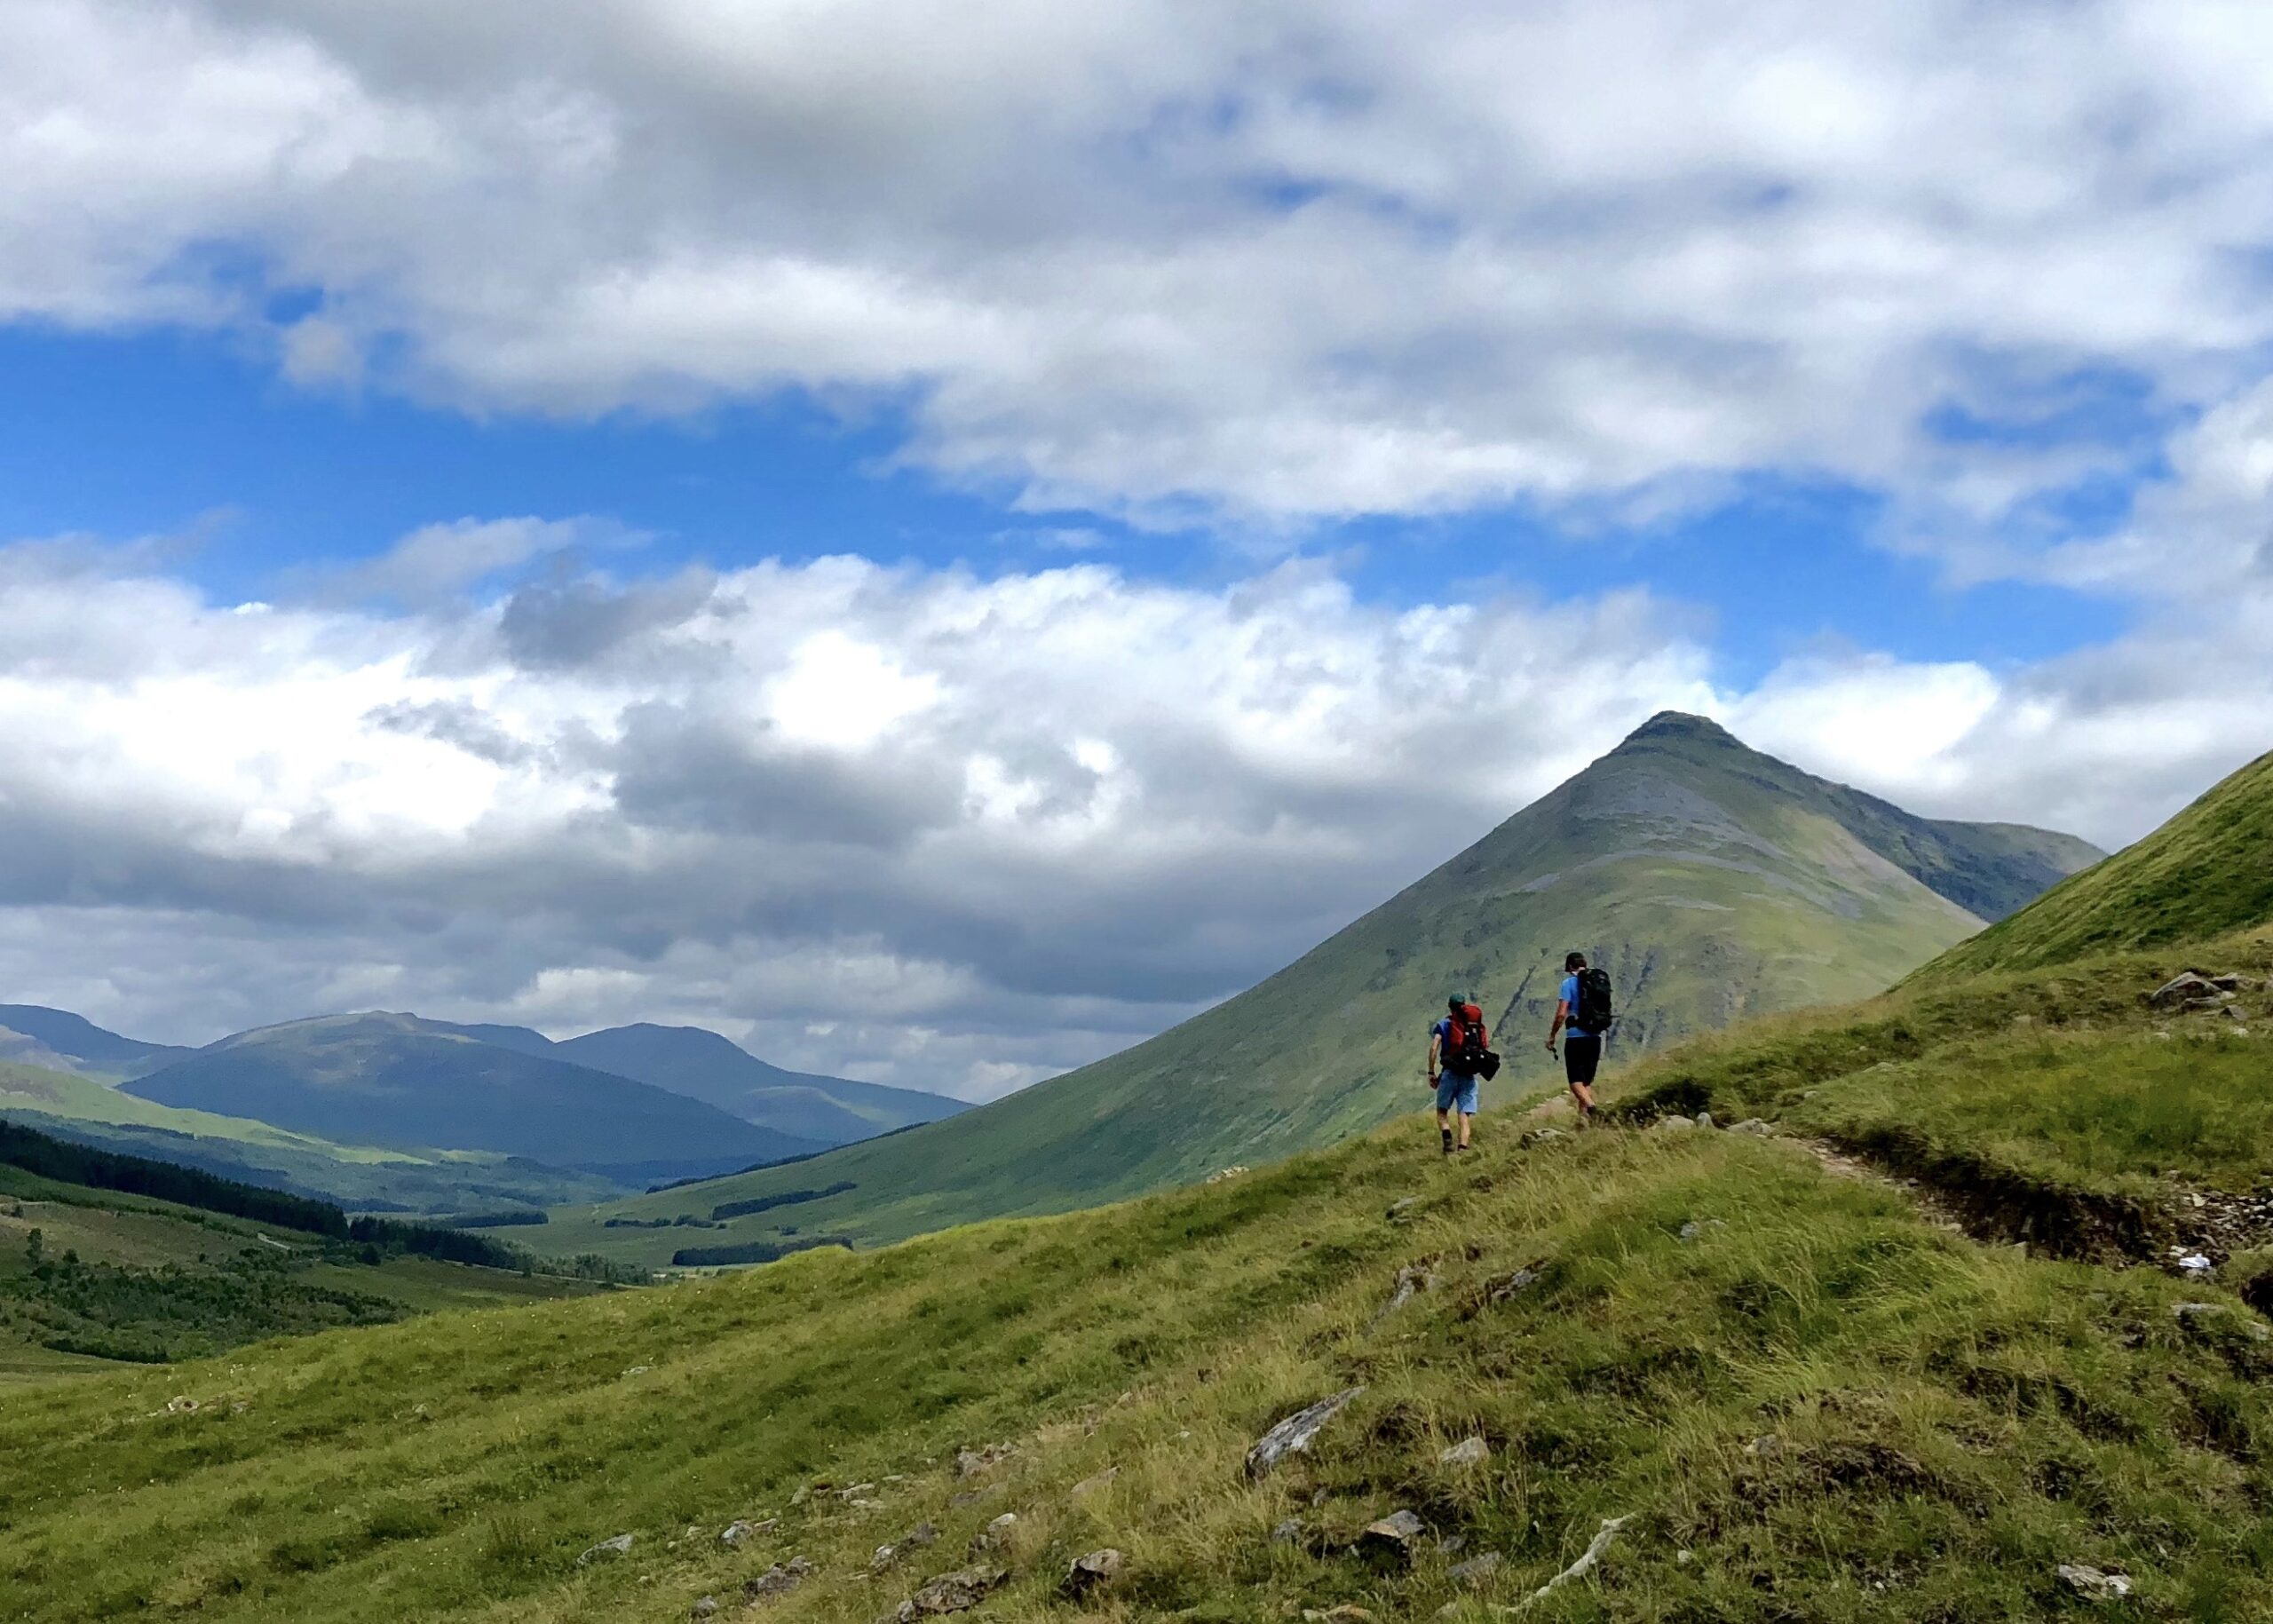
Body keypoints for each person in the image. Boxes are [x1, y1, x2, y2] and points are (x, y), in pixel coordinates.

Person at [1547, 951, 1603, 1122]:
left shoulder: (1568, 983)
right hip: (1595, 1036)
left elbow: (1561, 1014)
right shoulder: (1597, 981)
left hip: (1576, 1038)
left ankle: (1593, 1109)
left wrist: (1552, 1035)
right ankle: (1583, 1121)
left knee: (1575, 1082)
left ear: (1570, 966)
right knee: (1586, 1083)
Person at [1427, 993, 1484, 1155]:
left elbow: (1434, 1048)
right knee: (1464, 1114)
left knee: (1442, 1112)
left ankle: (1447, 1139)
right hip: (1468, 1074)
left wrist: (1431, 1072)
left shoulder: (1444, 1024)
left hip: (1450, 1073)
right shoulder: (1472, 1025)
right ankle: (1463, 1149)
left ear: (1450, 1007)